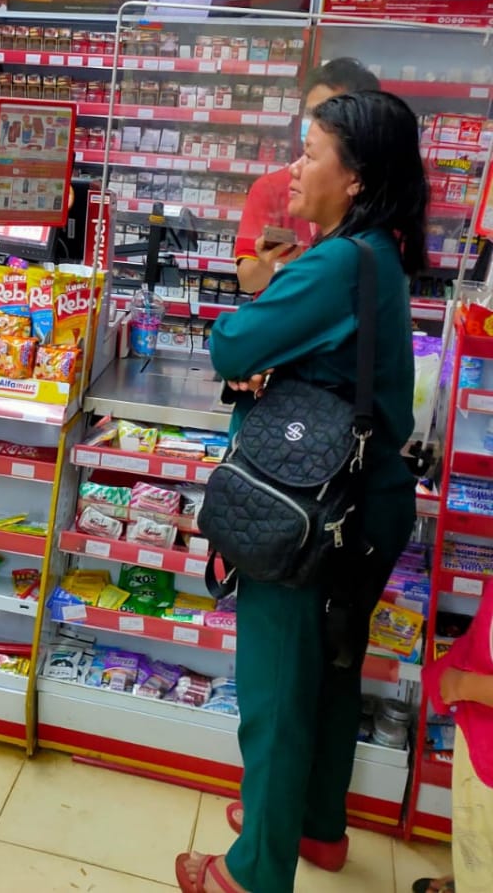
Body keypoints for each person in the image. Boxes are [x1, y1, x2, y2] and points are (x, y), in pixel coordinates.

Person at [176, 91, 428, 892]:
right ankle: (315, 824)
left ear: (355, 177)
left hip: (315, 509)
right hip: (371, 497)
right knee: (332, 668)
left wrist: (271, 286)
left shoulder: (332, 262)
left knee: (279, 684)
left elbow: (231, 343)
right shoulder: (379, 253)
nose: (294, 167)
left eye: (310, 151)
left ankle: (254, 869)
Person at [234, 57, 381, 295]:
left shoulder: (379, 200)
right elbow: (247, 283)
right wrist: (266, 266)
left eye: (329, 115)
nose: (315, 124)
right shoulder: (271, 188)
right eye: (311, 113)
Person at [416, 578, 493, 891]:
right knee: (475, 842)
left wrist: (460, 685)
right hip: (477, 733)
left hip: (486, 754)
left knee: (480, 844)